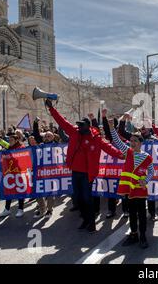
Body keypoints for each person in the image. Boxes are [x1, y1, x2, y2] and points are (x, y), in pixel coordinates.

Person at [45, 99, 124, 233]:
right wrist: (51, 108)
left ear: (88, 126)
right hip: (75, 171)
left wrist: (122, 155)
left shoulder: (96, 138)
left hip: (88, 173)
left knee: (87, 198)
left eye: (81, 125)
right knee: (78, 198)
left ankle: (91, 223)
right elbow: (62, 122)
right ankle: (85, 219)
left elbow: (109, 148)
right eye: (78, 125)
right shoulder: (75, 133)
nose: (79, 127)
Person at [108, 119, 153, 249]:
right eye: (131, 141)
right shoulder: (128, 152)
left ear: (140, 143)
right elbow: (117, 141)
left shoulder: (147, 157)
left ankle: (143, 236)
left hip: (140, 190)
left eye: (135, 141)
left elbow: (151, 171)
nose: (132, 143)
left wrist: (146, 181)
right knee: (132, 214)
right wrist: (111, 127)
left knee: (142, 214)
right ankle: (134, 235)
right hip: (129, 190)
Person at [0, 135, 26, 218]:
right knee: (9, 190)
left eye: (12, 139)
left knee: (20, 190)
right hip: (9, 173)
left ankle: (20, 209)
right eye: (9, 140)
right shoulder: (9, 147)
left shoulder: (21, 147)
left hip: (19, 172)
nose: (10, 141)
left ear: (16, 140)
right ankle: (7, 209)